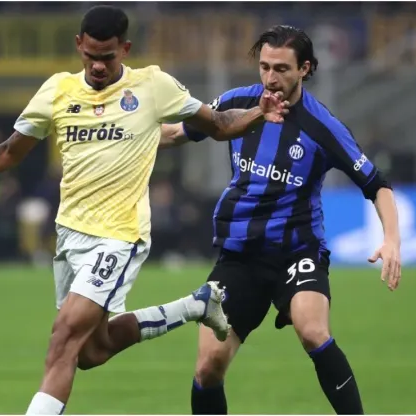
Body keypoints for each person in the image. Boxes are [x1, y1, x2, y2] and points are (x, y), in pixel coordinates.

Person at [0, 6, 289, 415]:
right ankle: (195, 306)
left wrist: (261, 111)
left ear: (125, 48)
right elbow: (10, 153)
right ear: (79, 45)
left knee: (62, 339)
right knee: (90, 352)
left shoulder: (152, 86)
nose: (98, 66)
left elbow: (219, 123)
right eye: (91, 56)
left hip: (120, 234)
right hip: (70, 235)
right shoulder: (57, 91)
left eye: (108, 57)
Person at [159, 25, 402, 415]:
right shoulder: (237, 103)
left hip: (297, 250)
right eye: (264, 66)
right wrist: (124, 139)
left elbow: (378, 185)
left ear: (305, 69)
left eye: (282, 69)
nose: (271, 78)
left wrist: (392, 239)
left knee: (312, 329)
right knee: (208, 368)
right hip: (239, 255)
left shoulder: (324, 128)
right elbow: (177, 133)